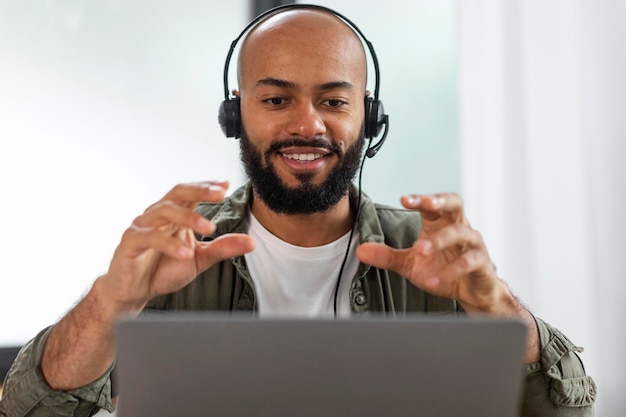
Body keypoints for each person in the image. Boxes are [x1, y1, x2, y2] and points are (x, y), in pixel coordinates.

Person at [0, 5, 595, 417]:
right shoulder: (179, 246)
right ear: (236, 116)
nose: (306, 125)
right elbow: (30, 409)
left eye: (333, 100)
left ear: (371, 117)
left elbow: (570, 409)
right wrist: (113, 299)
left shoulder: (429, 249)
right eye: (277, 98)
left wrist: (495, 309)